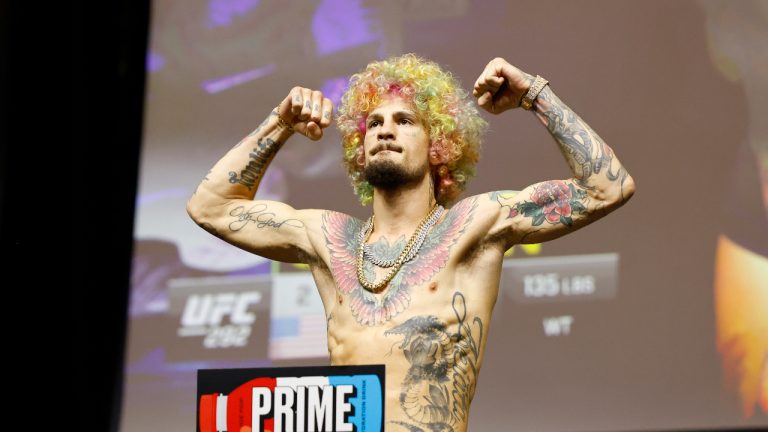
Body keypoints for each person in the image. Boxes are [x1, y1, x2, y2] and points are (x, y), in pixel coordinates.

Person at [186, 54, 635, 432]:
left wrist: (534, 94)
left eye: (404, 121)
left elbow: (605, 188)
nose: (384, 130)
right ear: (358, 149)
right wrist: (279, 124)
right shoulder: (327, 238)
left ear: (438, 144)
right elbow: (209, 208)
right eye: (374, 123)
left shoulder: (475, 226)